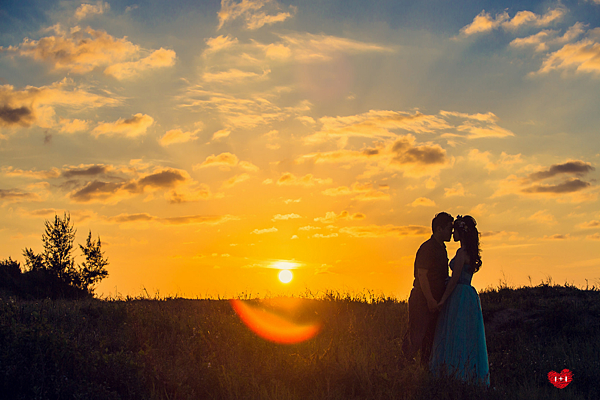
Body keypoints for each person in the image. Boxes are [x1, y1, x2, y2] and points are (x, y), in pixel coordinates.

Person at [429, 215, 490, 385]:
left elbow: (454, 279)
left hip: (458, 295)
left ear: (461, 233)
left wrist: (442, 300)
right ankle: (467, 374)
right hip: (469, 296)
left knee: (454, 333)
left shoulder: (461, 253)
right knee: (467, 335)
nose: (452, 233)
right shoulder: (469, 252)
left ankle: (455, 374)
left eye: (454, 230)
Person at [402, 212, 454, 365]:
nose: (451, 232)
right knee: (416, 337)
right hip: (422, 300)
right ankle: (402, 368)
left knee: (430, 339)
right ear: (439, 229)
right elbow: (422, 276)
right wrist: (430, 299)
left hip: (435, 301)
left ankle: (425, 372)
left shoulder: (441, 248)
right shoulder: (427, 248)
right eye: (448, 229)